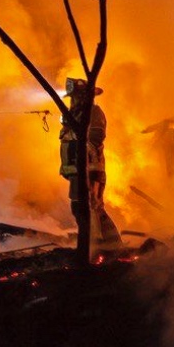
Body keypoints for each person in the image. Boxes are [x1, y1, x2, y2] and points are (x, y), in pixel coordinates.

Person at [60, 78, 122, 249]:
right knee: (80, 208)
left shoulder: (94, 112)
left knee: (91, 208)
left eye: (76, 97)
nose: (73, 101)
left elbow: (95, 137)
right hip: (77, 172)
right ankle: (108, 246)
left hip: (90, 171)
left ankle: (100, 247)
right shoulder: (75, 116)